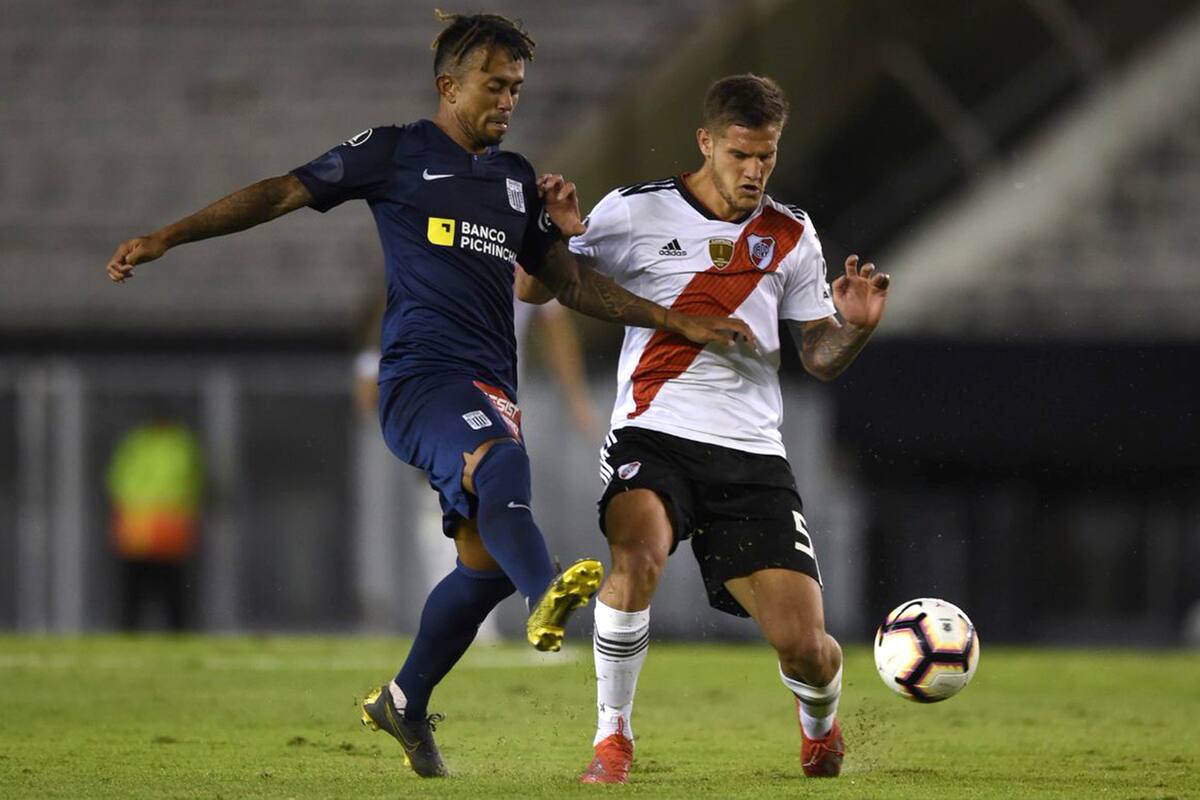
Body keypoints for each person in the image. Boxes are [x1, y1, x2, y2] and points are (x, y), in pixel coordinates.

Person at [104, 11, 753, 779]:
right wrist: (168, 237)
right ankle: (546, 591)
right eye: (493, 84)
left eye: (516, 87)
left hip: (487, 383)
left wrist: (650, 300)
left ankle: (405, 701)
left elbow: (562, 287)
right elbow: (282, 191)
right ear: (449, 85)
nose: (508, 100)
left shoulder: (515, 180)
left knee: (478, 568)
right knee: (501, 462)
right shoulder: (396, 152)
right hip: (419, 378)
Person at [519, 74, 891, 783]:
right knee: (636, 551)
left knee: (806, 648)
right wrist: (548, 237)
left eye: (767, 157)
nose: (754, 171)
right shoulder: (634, 212)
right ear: (707, 142)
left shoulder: (790, 233)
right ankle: (613, 739)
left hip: (749, 450)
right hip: (651, 429)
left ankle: (820, 728)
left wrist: (856, 330)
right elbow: (541, 288)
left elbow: (817, 356)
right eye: (741, 154)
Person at [106, 419, 204, 631]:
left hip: (167, 524)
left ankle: (178, 632)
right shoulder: (139, 442)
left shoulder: (179, 443)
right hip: (141, 523)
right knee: (135, 586)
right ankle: (128, 631)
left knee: (171, 586)